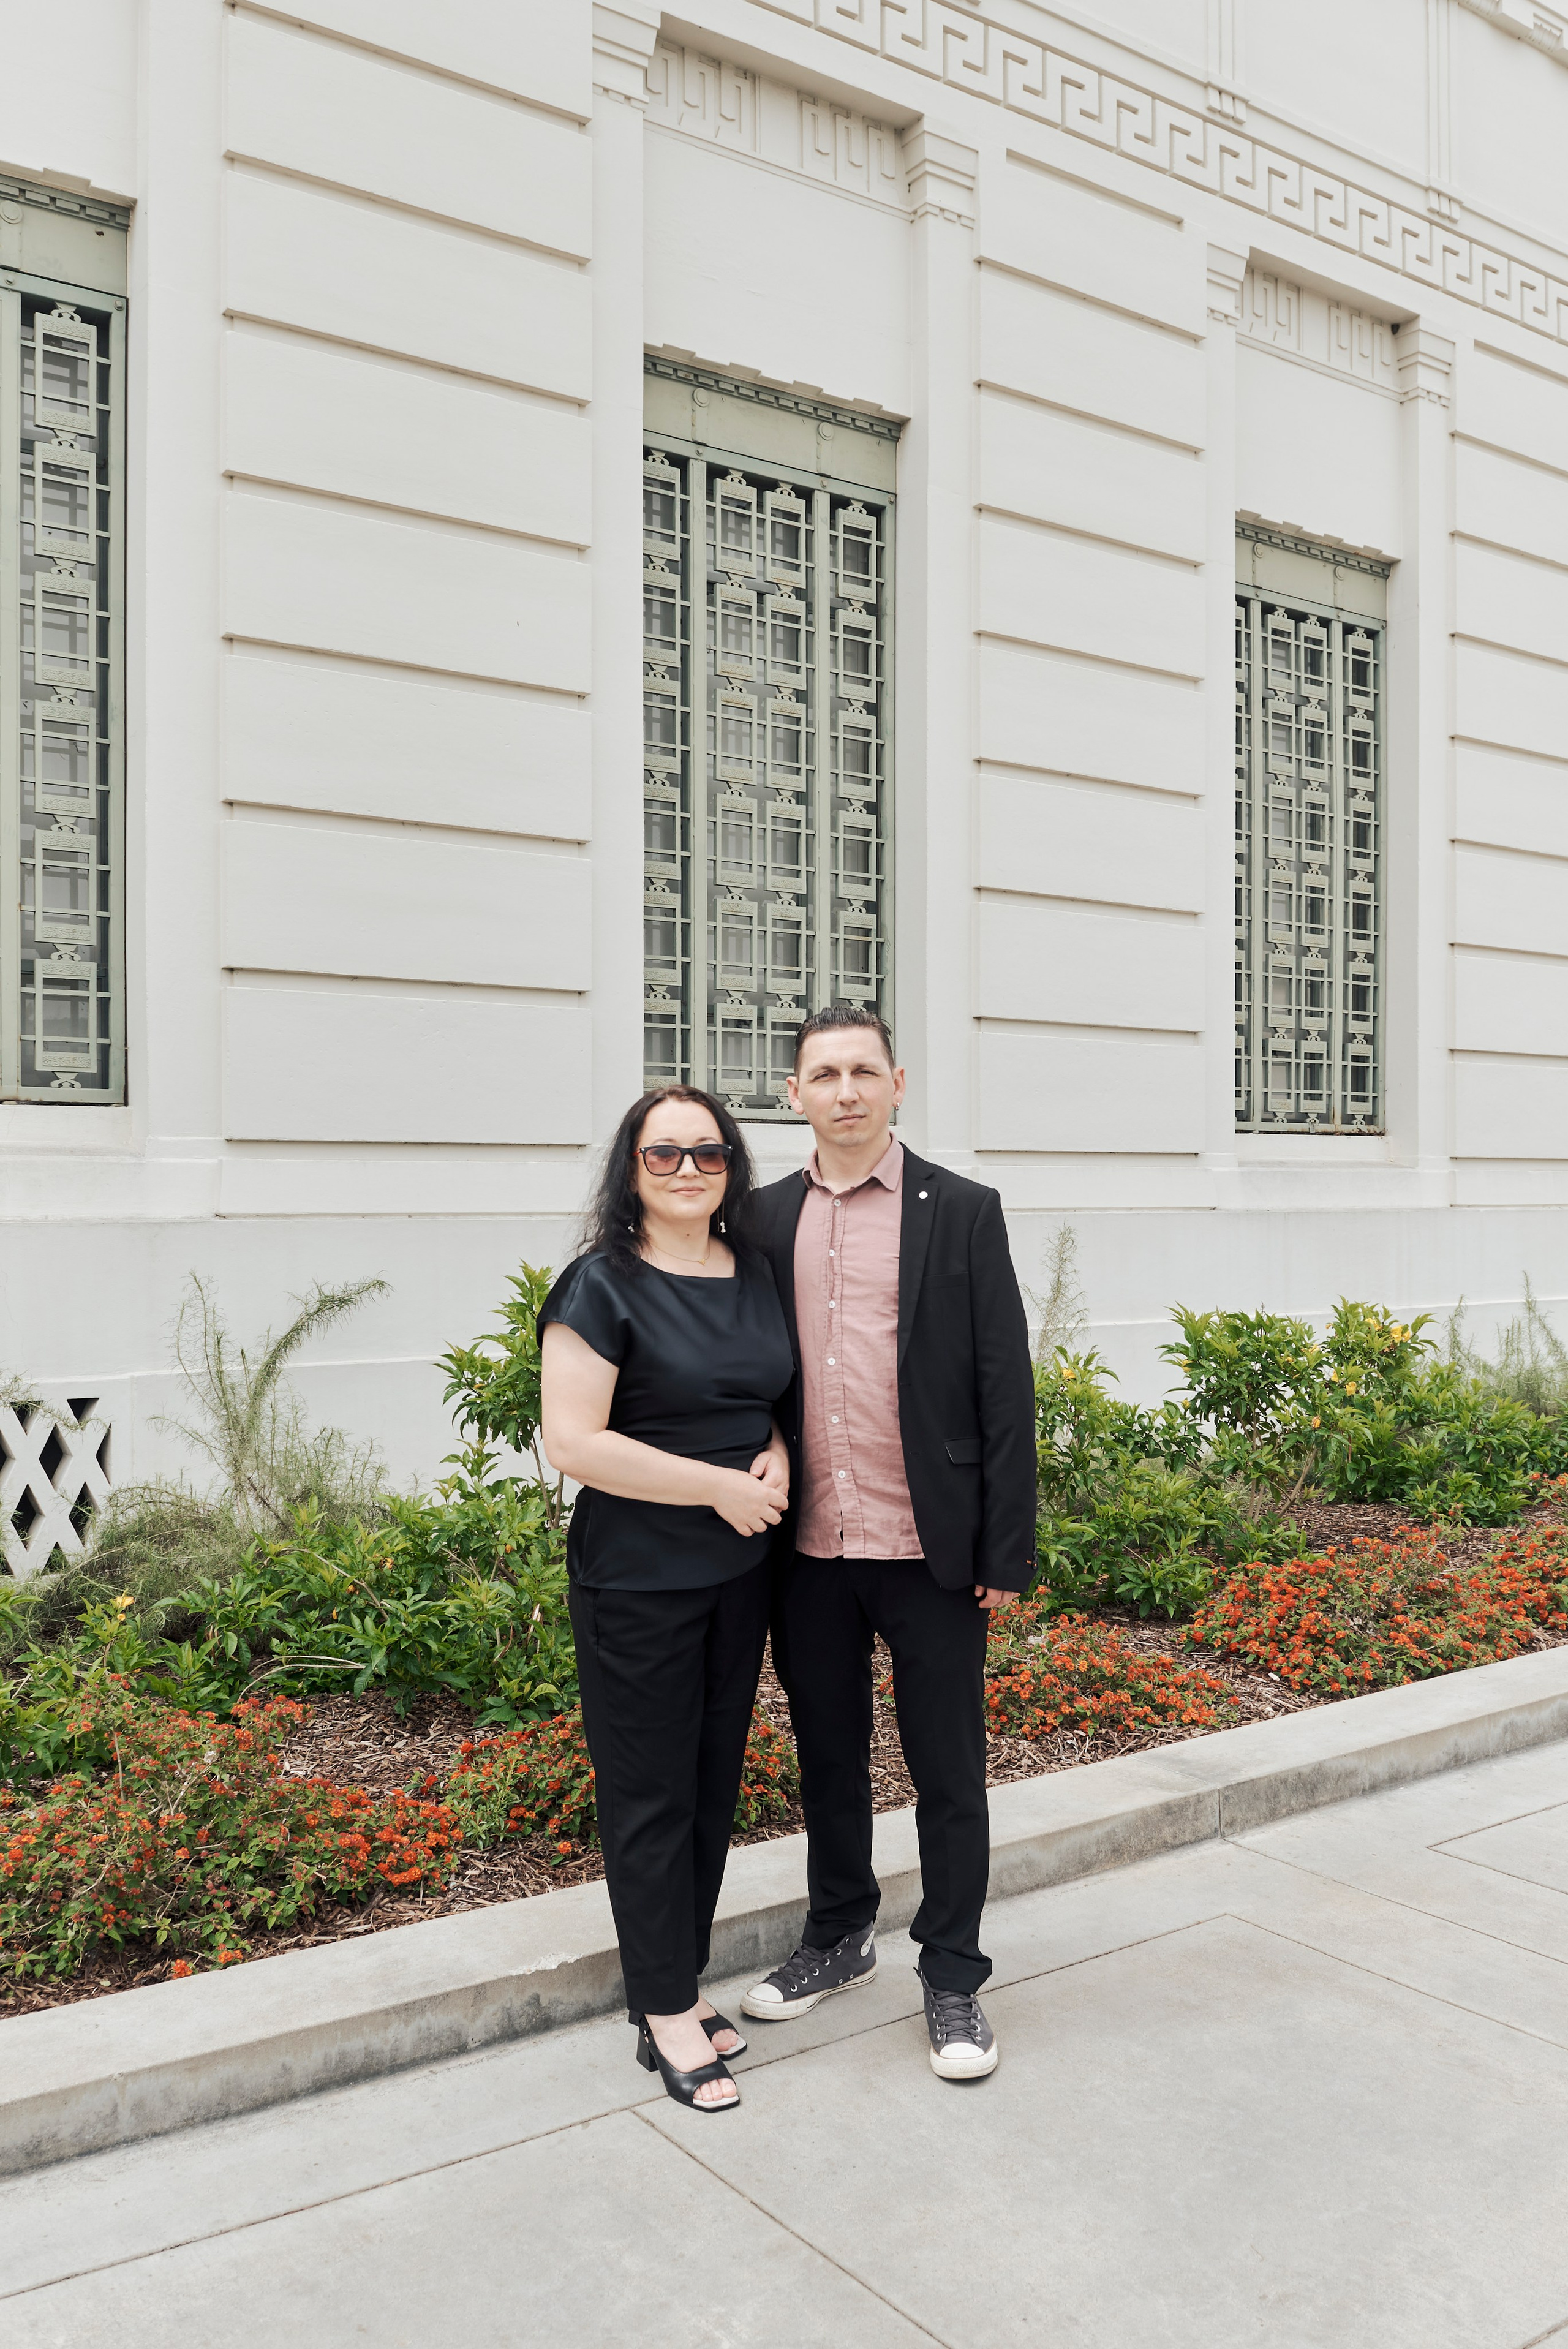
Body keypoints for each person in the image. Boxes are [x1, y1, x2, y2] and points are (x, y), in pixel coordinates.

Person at [740, 1004, 1037, 2080]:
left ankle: (953, 1973)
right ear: (795, 1095)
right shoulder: (760, 1219)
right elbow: (742, 1374)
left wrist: (1007, 1549)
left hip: (930, 1546)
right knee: (828, 1759)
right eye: (826, 1074)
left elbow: (1004, 1382)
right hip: (808, 1547)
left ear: (899, 1083)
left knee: (948, 1768)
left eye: (865, 1071)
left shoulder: (959, 1210)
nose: (847, 1091)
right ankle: (839, 1935)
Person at [538, 1086, 794, 2113]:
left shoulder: (753, 1272)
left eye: (708, 1152)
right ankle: (665, 2008)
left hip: (740, 1574)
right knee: (648, 1796)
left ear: (732, 1164)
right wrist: (719, 1486)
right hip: (639, 1577)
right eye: (664, 1155)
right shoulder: (601, 1285)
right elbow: (576, 1443)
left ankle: (673, 1981)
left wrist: (770, 1452)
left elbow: (762, 1397)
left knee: (710, 1787)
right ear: (630, 1171)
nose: (688, 1170)